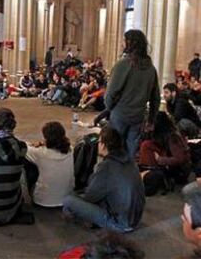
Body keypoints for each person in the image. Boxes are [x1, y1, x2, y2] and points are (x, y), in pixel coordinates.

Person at [62, 125, 145, 233]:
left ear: (104, 145)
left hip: (120, 223)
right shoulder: (130, 160)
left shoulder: (107, 166)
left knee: (68, 200)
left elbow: (90, 197)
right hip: (135, 217)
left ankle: (93, 221)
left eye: (99, 141)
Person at [105, 29, 160, 160]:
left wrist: (109, 108)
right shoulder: (151, 69)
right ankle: (129, 176)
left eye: (124, 41)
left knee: (114, 150)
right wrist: (151, 119)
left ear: (130, 43)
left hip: (120, 114)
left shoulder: (123, 65)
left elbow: (111, 92)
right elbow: (155, 98)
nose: (122, 44)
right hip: (138, 116)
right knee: (131, 154)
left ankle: (115, 176)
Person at [25, 122, 73, 207]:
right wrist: (43, 143)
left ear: (46, 138)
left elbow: (23, 146)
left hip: (42, 201)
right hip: (66, 198)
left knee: (28, 163)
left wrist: (39, 144)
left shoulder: (39, 153)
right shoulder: (70, 150)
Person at [139, 112, 191, 185]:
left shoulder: (173, 137)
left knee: (146, 145)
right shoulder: (158, 134)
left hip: (179, 171)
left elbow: (180, 159)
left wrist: (160, 159)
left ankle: (149, 174)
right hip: (168, 163)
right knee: (146, 145)